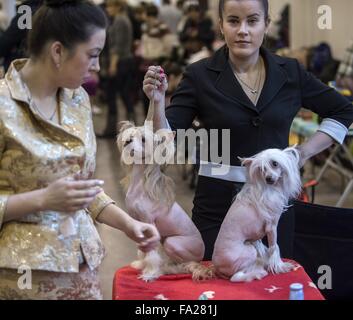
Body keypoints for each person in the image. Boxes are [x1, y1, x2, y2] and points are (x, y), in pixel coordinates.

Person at [143, 0, 353, 261]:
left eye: (252, 21)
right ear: (221, 26)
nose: (243, 30)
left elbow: (343, 110)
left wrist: (302, 153)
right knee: (218, 288)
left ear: (266, 24)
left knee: (273, 286)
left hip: (274, 210)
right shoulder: (199, 75)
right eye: (233, 21)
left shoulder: (290, 72)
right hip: (216, 210)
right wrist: (159, 103)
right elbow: (163, 141)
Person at [0, 0, 159, 300]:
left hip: (83, 268)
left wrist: (128, 224)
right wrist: (42, 199)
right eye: (92, 55)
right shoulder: (4, 107)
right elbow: (59, 195)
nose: (97, 65)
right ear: (58, 52)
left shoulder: (78, 101)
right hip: (21, 279)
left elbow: (83, 188)